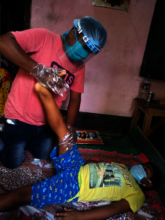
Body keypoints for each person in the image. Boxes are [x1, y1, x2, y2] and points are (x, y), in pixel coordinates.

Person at [0, 82, 161, 220]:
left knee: (22, 196)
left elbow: (112, 210)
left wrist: (81, 216)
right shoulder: (124, 168)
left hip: (73, 186)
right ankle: (45, 94)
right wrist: (83, 159)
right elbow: (99, 164)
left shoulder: (137, 194)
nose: (140, 166)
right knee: (66, 135)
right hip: (78, 165)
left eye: (145, 169)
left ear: (147, 182)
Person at [0, 16, 107, 169]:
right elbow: (4, 42)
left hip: (47, 124)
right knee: (12, 163)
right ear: (72, 33)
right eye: (84, 47)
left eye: (89, 52)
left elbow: (75, 98)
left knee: (44, 156)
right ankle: (4, 134)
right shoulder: (45, 38)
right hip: (19, 117)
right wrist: (40, 71)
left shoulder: (79, 67)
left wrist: (69, 126)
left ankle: (25, 140)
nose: (84, 55)